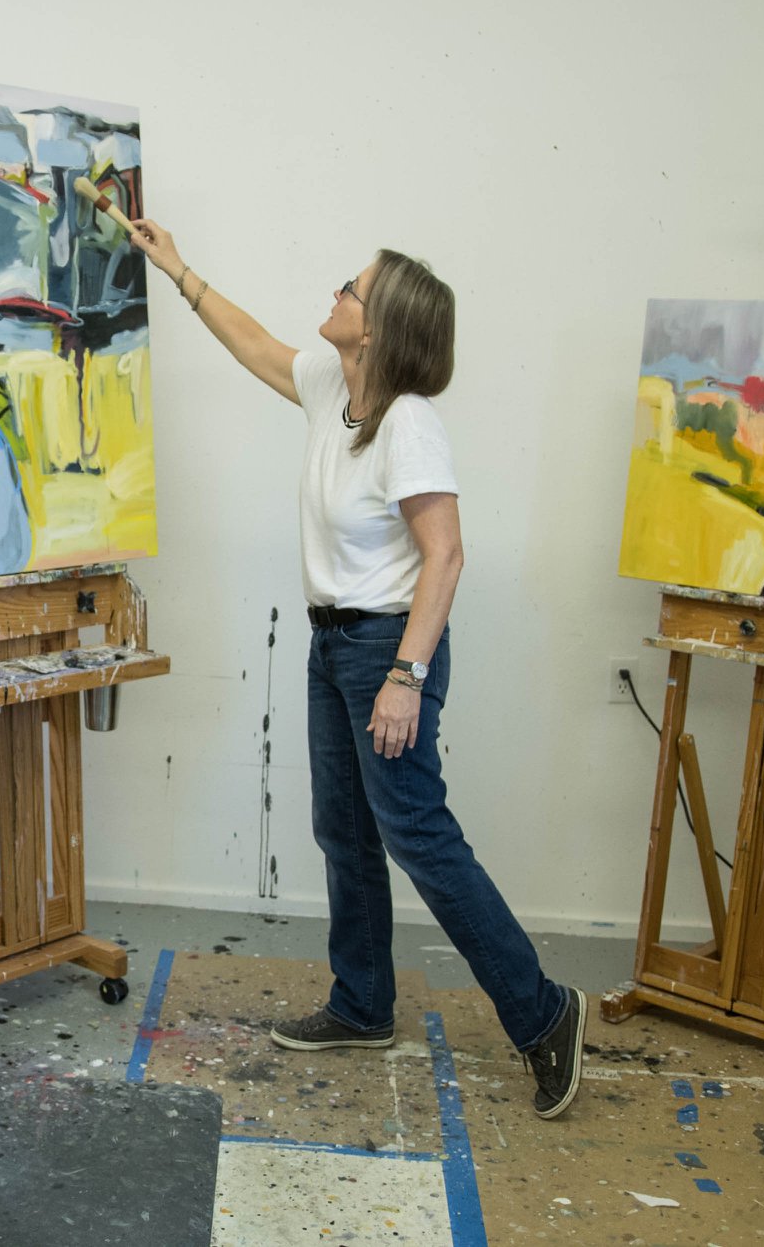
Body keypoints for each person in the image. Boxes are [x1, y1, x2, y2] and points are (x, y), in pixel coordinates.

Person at [126, 217, 585, 1119]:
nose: (337, 290)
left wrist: (405, 679)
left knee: (416, 832)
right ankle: (363, 1003)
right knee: (343, 827)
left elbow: (445, 555)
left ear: (379, 328)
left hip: (386, 647)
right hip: (332, 643)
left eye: (353, 288)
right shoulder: (333, 386)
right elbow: (254, 343)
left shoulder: (408, 424)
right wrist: (176, 266)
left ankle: (543, 1013)